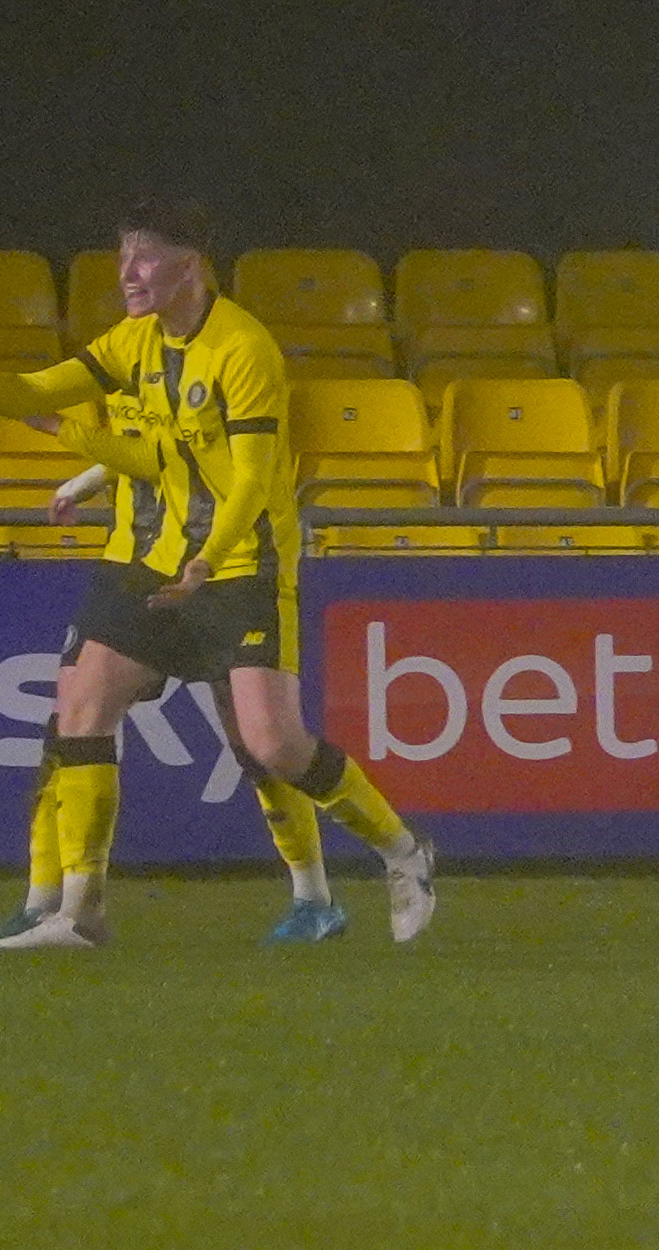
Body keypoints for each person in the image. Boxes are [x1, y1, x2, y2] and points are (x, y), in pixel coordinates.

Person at [0, 199, 433, 949]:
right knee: (80, 704)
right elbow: (41, 392)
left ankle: (404, 851)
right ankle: (82, 910)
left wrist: (206, 561)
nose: (126, 272)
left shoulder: (243, 348)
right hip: (154, 558)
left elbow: (253, 482)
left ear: (190, 262)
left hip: (241, 564)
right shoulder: (133, 341)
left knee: (273, 744)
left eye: (144, 256)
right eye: (122, 254)